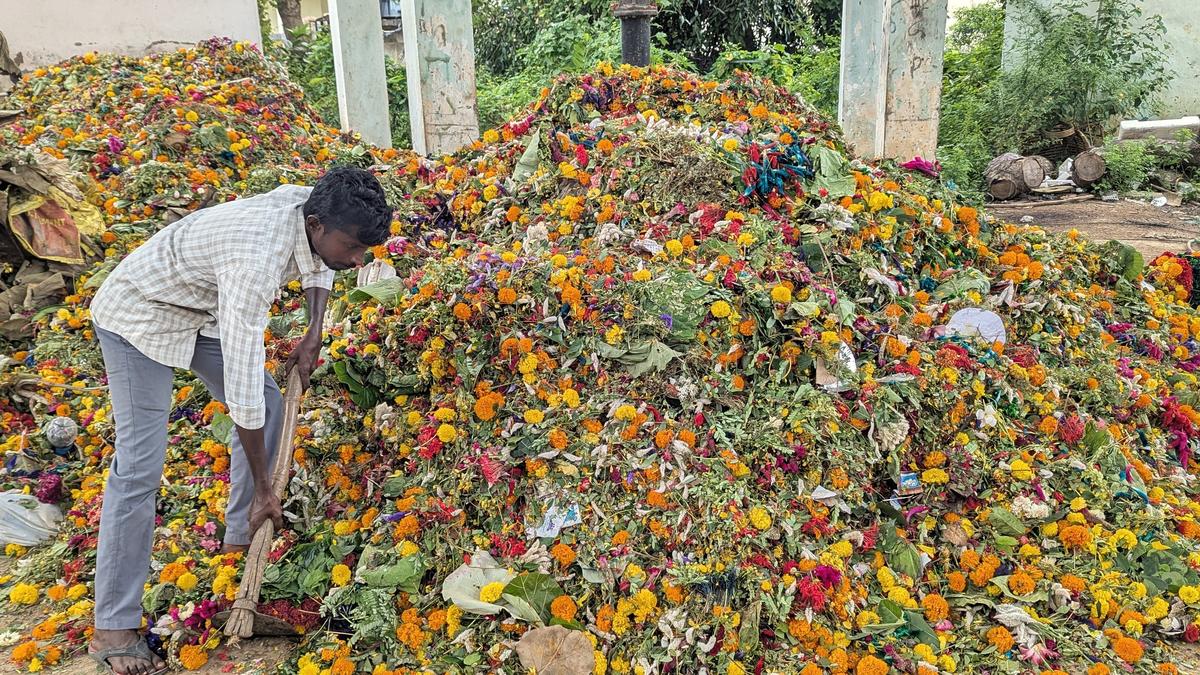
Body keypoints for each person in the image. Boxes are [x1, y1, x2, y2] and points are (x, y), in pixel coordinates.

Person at [86, 167, 392, 675]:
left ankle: (238, 538)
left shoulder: (309, 207)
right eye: (354, 248)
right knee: (140, 468)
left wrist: (314, 331)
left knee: (273, 407)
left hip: (197, 311)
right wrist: (263, 488)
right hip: (138, 314)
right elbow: (244, 387)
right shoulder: (255, 258)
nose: (358, 260)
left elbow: (322, 264)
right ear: (316, 224)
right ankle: (112, 627)